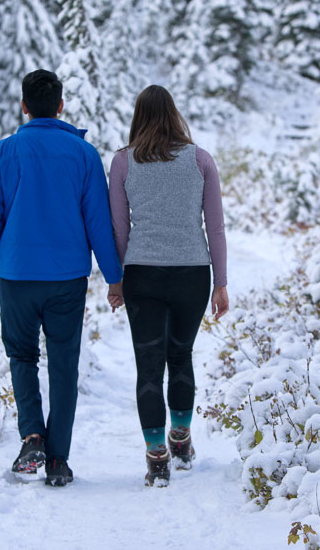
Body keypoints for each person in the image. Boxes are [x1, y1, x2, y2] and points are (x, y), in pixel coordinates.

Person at [0, 69, 123, 487]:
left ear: (23, 106)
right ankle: (57, 460)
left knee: (22, 357)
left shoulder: (1, 154)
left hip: (16, 276)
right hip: (67, 280)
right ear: (60, 106)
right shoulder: (83, 155)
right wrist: (115, 277)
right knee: (63, 366)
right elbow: (99, 222)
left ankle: (32, 436)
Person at [107, 85, 229, 487]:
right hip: (193, 273)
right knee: (181, 356)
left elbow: (119, 229)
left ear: (138, 117)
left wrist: (121, 277)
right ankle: (181, 437)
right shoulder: (200, 160)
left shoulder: (123, 163)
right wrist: (221, 283)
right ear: (174, 114)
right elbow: (215, 227)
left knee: (148, 366)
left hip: (142, 272)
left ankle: (156, 456)